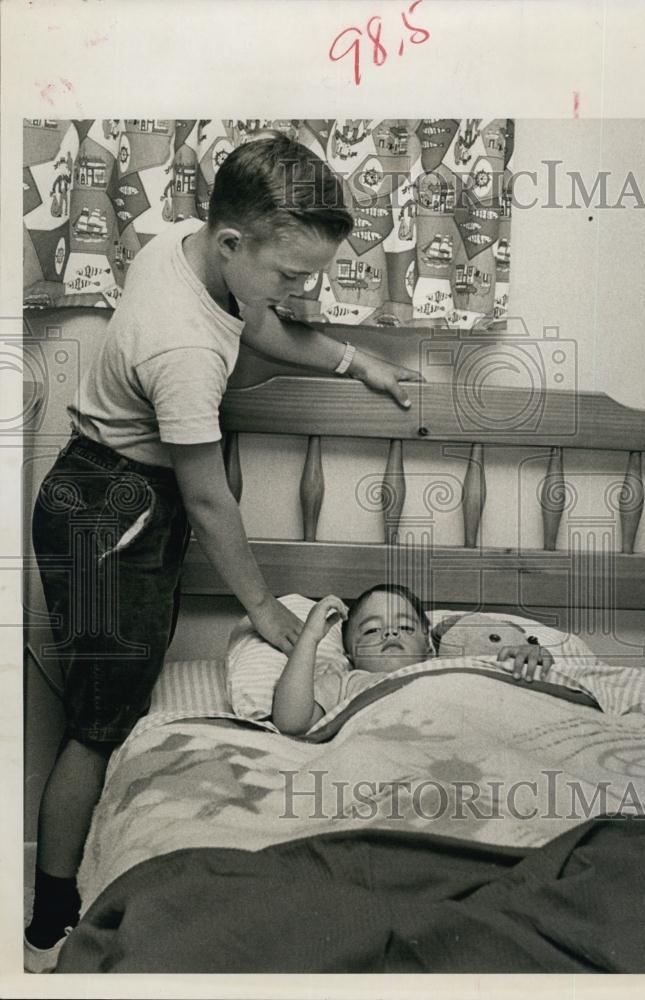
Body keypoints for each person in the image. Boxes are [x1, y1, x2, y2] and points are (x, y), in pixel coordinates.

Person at [25, 135, 422, 971]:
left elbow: (262, 319)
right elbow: (207, 498)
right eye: (290, 275)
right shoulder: (186, 350)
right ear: (235, 244)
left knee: (110, 707)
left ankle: (61, 900)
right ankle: (47, 924)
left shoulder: (182, 243)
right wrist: (264, 608)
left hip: (115, 490)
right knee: (100, 724)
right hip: (110, 509)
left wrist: (356, 363)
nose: (299, 292)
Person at [272, 585, 553, 735]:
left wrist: (531, 657)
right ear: (350, 656)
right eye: (371, 630)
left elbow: (514, 701)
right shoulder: (345, 681)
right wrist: (309, 638)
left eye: (405, 627)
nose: (391, 632)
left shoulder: (448, 669)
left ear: (429, 649)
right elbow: (291, 722)